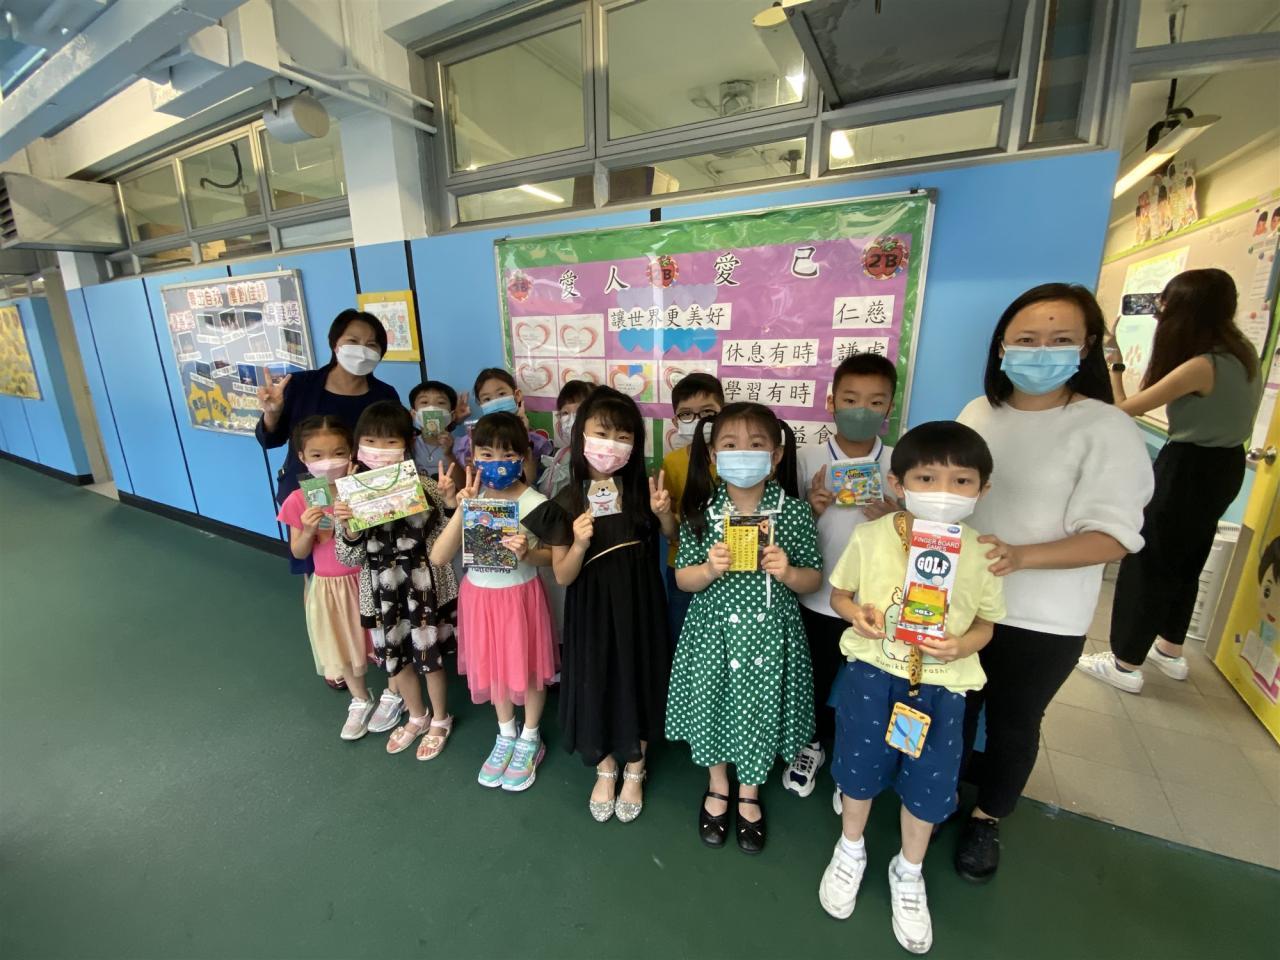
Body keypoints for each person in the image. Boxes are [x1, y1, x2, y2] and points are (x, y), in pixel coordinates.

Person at [954, 283, 1152, 882]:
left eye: (1060, 339)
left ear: (1085, 348)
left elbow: (1114, 537)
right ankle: (937, 798)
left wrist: (1023, 556)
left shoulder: (1106, 427)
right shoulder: (977, 413)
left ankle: (987, 819)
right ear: (1002, 347)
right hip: (961, 604)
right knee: (952, 712)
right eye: (1027, 339)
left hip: (1043, 617)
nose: (1041, 351)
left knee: (1014, 723)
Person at [820, 421, 1005, 956]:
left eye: (961, 481)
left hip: (943, 690)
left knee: (929, 784)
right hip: (873, 677)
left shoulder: (982, 552)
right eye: (927, 478)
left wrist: (963, 644)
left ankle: (909, 869)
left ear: (982, 489)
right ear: (898, 484)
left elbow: (987, 624)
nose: (944, 492)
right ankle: (850, 848)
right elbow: (839, 595)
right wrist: (857, 615)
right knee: (858, 769)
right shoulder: (871, 536)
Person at [1078, 269, 1261, 693]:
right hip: (1226, 466)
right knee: (1189, 557)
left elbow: (1124, 409)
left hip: (1188, 467)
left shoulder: (1200, 365)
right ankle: (1170, 649)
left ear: (1186, 309)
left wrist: (1114, 364)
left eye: (1166, 304)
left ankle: (1124, 663)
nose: (1160, 311)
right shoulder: (1244, 354)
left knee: (1150, 558)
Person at [666, 402, 822, 854]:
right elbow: (683, 579)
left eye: (756, 444)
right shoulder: (700, 511)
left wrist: (788, 572)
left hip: (770, 637)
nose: (743, 453)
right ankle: (718, 785)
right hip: (712, 635)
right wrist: (708, 570)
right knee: (711, 704)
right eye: (731, 445)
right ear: (714, 456)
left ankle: (749, 791)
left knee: (759, 709)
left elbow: (813, 578)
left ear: (776, 456)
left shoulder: (793, 513)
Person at [524, 387, 675, 822]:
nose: (612, 445)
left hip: (640, 606)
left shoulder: (644, 491)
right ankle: (605, 766)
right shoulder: (568, 501)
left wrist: (664, 514)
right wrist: (579, 542)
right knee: (596, 679)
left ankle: (636, 766)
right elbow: (563, 575)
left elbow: (672, 537)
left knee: (638, 676)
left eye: (623, 436)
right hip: (590, 611)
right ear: (581, 435)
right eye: (602, 433)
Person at [255, 308, 398, 687]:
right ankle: (334, 657)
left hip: (361, 495)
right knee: (317, 572)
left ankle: (370, 647)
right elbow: (271, 439)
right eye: (353, 341)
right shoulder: (301, 386)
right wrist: (272, 413)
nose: (362, 349)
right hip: (309, 495)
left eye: (372, 344)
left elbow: (393, 443)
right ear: (335, 344)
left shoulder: (384, 394)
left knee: (364, 573)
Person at [785, 353, 899, 799]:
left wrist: (896, 520)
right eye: (850, 399)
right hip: (815, 597)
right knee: (811, 681)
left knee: (869, 690)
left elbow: (920, 540)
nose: (861, 410)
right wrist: (809, 510)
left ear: (889, 408)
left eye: (875, 402)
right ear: (831, 402)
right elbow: (782, 532)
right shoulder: (805, 458)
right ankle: (809, 745)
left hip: (875, 607)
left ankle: (857, 767)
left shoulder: (899, 465)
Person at [429, 412, 559, 791]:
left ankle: (530, 737)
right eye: (486, 454)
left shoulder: (536, 502)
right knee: (494, 668)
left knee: (529, 668)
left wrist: (529, 554)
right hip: (479, 599)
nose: (496, 463)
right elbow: (439, 556)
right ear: (474, 457)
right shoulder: (474, 500)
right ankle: (506, 733)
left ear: (523, 456)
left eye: (507, 454)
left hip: (520, 598)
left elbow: (555, 556)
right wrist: (461, 509)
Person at [333, 402, 458, 760]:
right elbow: (347, 557)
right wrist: (347, 526)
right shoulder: (349, 494)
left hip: (424, 587)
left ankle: (440, 718)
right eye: (371, 441)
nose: (380, 450)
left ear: (407, 444)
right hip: (380, 591)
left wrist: (449, 503)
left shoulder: (426, 486)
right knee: (396, 658)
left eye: (390, 442)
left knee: (430, 657)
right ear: (358, 445)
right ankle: (416, 715)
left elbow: (446, 540)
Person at [275, 415, 374, 738]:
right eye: (317, 455)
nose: (328, 462)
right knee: (343, 645)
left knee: (381, 641)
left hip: (369, 579)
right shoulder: (299, 499)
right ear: (302, 456)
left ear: (351, 452)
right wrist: (307, 529)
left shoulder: (363, 489)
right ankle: (360, 699)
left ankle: (396, 693)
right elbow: (299, 551)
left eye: (338, 453)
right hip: (331, 586)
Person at [661, 373, 724, 642]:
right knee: (682, 637)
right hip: (683, 564)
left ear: (723, 413)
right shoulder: (672, 462)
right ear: (676, 422)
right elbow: (670, 531)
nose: (698, 420)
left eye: (708, 412)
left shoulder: (737, 459)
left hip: (729, 563)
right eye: (687, 414)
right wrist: (664, 514)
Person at [452, 369, 553, 484]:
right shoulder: (470, 443)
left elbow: (530, 480)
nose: (495, 401)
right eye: (487, 399)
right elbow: (465, 484)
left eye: (501, 394)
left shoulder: (536, 442)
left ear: (517, 395)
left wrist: (523, 435)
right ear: (480, 404)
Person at [537, 379, 593, 499]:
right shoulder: (561, 453)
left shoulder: (596, 459)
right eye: (565, 413)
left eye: (579, 411)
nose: (571, 419)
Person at [409, 380, 462, 479]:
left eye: (441, 403)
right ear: (414, 414)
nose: (432, 407)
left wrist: (449, 454)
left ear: (452, 415)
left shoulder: (461, 446)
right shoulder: (410, 445)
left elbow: (463, 485)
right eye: (424, 402)